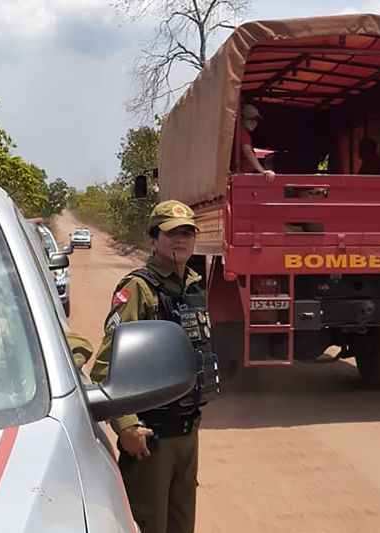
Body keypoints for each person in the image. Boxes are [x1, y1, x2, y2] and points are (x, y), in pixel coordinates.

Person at [90, 199, 219, 533]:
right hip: (151, 439)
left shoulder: (192, 285)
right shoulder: (138, 289)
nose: (181, 240)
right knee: (148, 524)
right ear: (153, 239)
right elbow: (105, 366)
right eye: (171, 234)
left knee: (181, 524)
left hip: (187, 433)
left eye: (187, 233)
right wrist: (126, 426)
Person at [235, 103, 276, 181]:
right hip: (243, 178)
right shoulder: (242, 134)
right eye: (250, 119)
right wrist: (263, 171)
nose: (254, 122)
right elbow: (248, 152)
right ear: (241, 118)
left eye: (256, 120)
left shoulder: (242, 133)